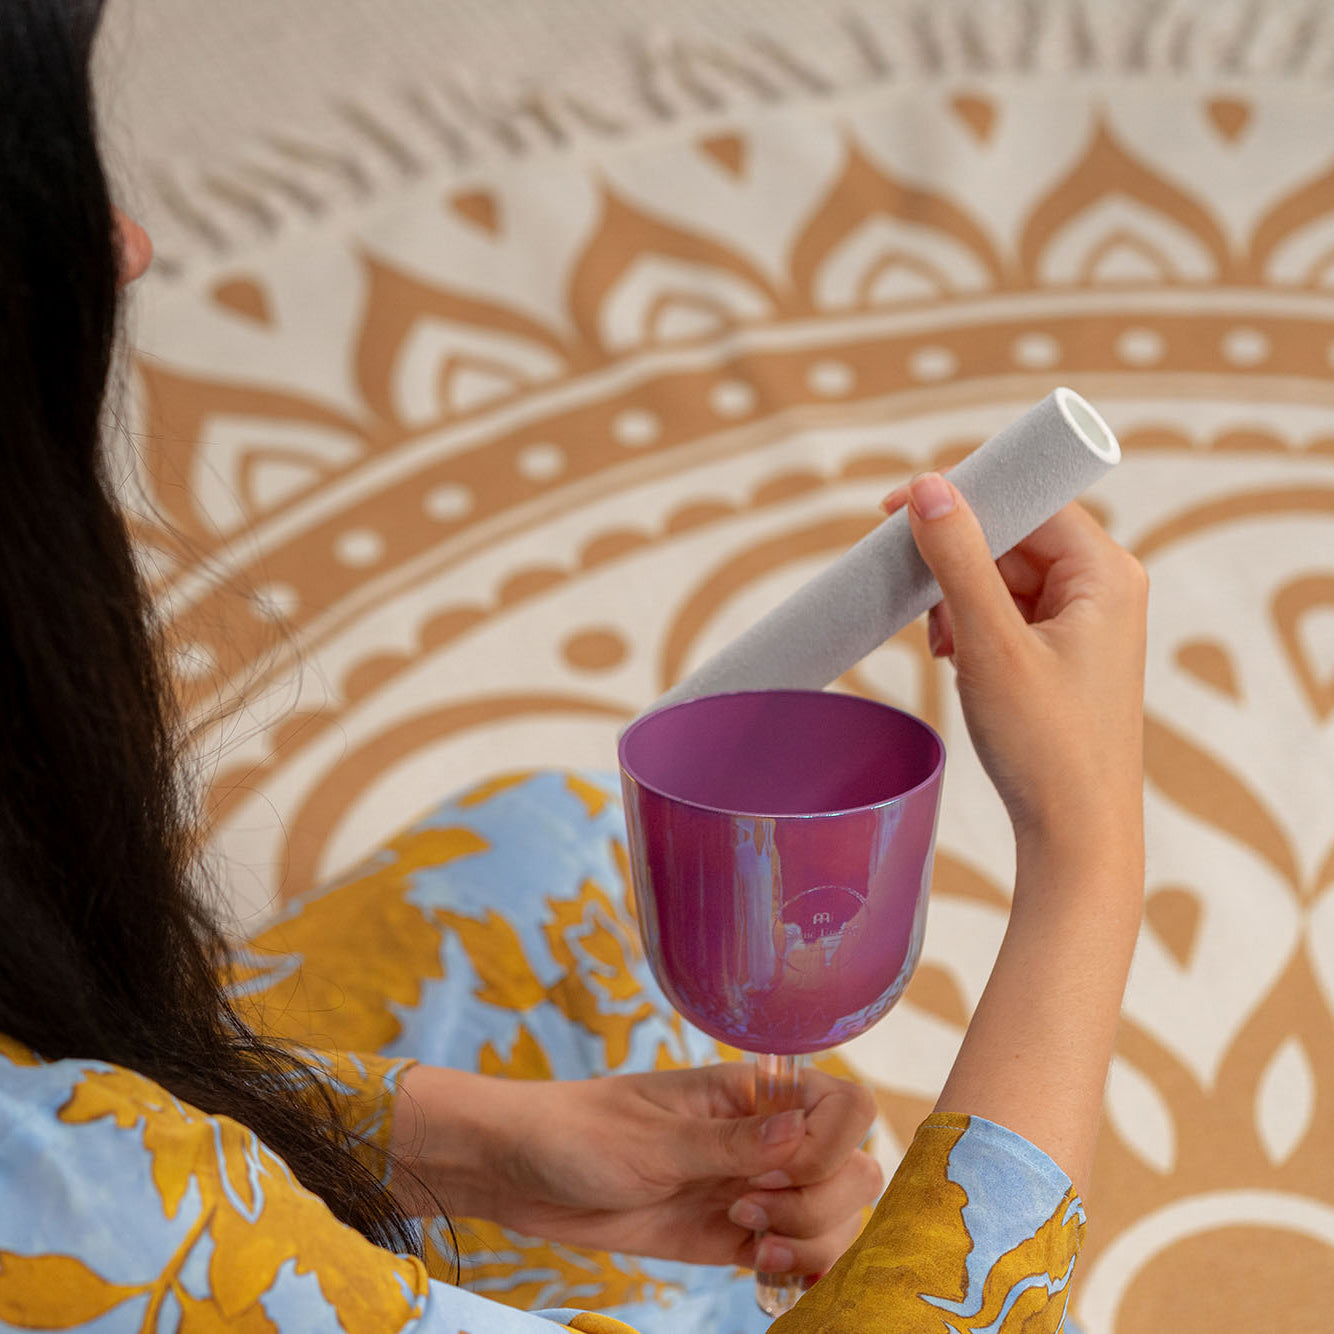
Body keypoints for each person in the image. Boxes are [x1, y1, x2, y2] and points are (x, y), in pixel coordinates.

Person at [0, 2, 1147, 1330]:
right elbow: (104, 1183)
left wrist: (478, 1147)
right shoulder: (93, 1203)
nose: (122, 246)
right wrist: (1088, 853)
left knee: (552, 857)